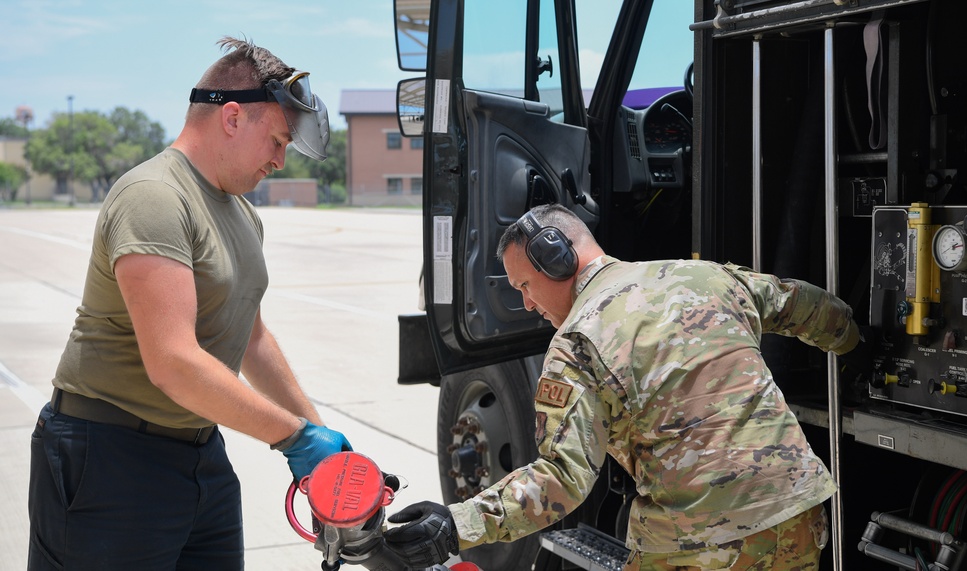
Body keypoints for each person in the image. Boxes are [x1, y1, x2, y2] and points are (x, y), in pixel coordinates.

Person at [383, 203, 871, 570]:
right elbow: (802, 304)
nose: (527, 304)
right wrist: (856, 346)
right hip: (797, 514)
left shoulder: (576, 344)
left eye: (525, 286)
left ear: (557, 260)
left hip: (697, 543)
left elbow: (561, 481)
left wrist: (458, 524)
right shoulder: (703, 277)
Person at [28, 37, 348, 570]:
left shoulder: (243, 215)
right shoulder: (154, 196)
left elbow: (252, 337)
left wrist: (324, 448)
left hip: (199, 454)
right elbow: (172, 362)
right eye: (275, 139)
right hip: (108, 457)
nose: (279, 159)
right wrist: (293, 438)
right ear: (231, 118)